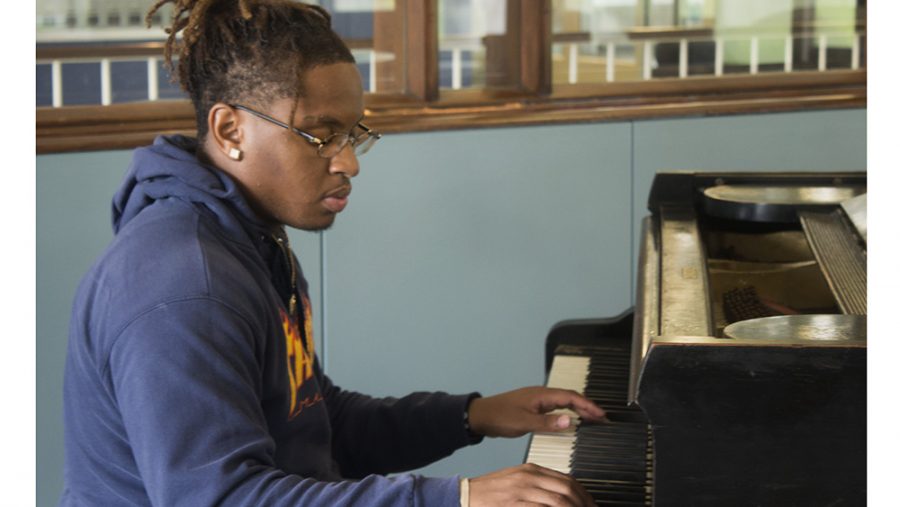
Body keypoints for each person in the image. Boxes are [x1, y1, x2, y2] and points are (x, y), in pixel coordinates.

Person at [60, 1, 606, 505]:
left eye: (353, 134)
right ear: (230, 130)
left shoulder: (252, 240)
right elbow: (224, 499)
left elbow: (317, 425)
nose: (349, 163)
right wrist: (457, 498)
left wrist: (472, 416)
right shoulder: (183, 287)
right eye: (322, 136)